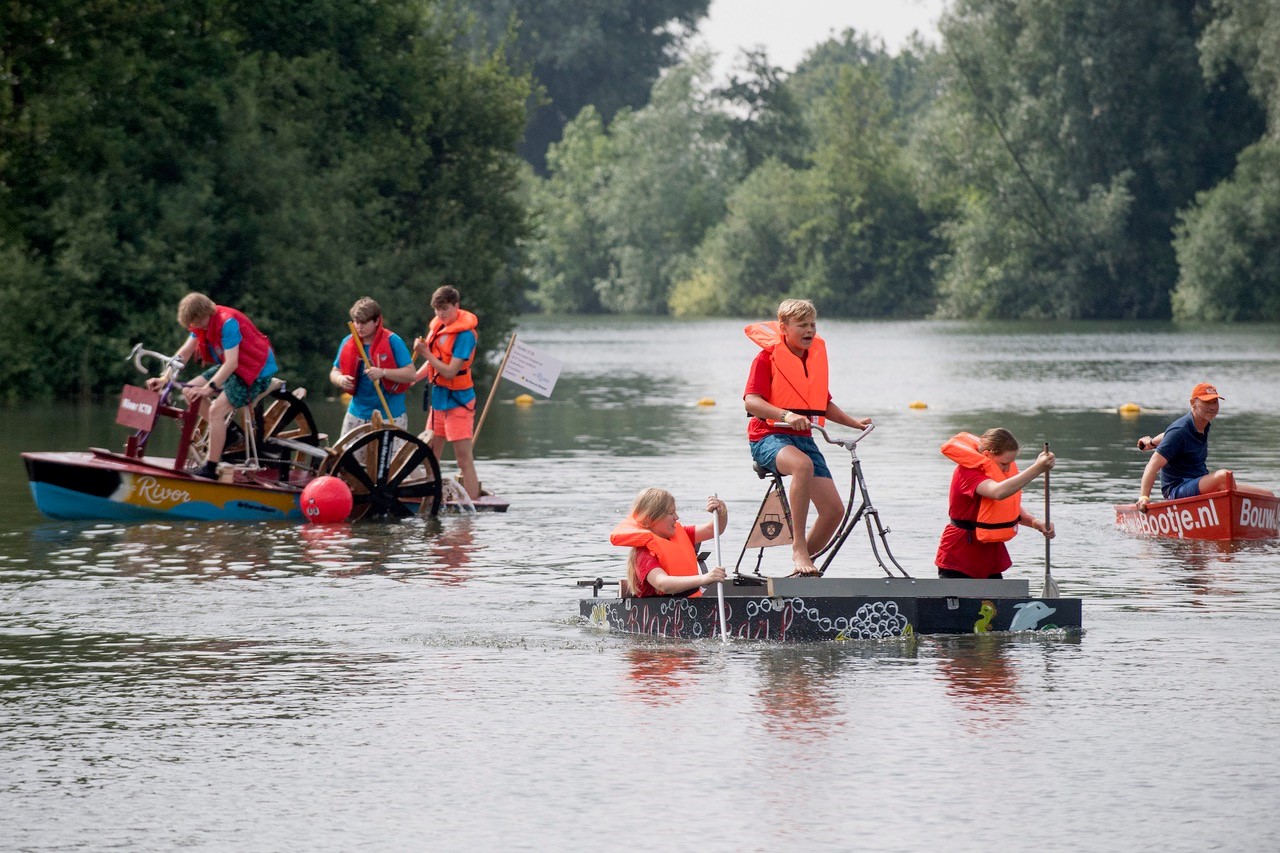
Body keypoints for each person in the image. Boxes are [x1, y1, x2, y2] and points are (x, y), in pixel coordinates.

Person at [742, 298, 871, 576]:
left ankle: (803, 573)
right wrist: (786, 415)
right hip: (767, 437)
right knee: (802, 465)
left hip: (804, 439)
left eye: (812, 324)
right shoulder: (766, 358)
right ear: (784, 328)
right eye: (802, 325)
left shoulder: (813, 359)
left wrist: (853, 423)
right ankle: (798, 547)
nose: (810, 330)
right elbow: (752, 402)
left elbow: (822, 404)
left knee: (834, 510)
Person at [146, 292, 280, 479]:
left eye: (196, 322)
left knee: (216, 410)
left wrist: (209, 388)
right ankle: (230, 434)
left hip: (256, 371)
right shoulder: (200, 324)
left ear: (205, 314)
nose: (194, 327)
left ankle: (211, 467)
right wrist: (164, 378)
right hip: (235, 366)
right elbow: (184, 353)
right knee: (188, 391)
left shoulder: (228, 323)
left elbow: (231, 363)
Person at [935, 429, 1056, 580]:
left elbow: (1005, 508)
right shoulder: (967, 473)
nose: (1006, 469)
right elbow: (998, 492)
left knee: (993, 603)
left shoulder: (994, 470)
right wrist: (1038, 468)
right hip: (960, 554)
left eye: (1010, 464)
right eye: (1004, 463)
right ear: (987, 455)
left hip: (990, 554)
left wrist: (1036, 523)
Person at [413, 285, 481, 499]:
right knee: (431, 455)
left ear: (456, 306)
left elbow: (450, 371)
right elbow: (434, 364)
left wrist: (425, 353)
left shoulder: (465, 335)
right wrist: (412, 378)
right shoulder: (438, 328)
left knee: (463, 459)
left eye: (445, 309)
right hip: (439, 402)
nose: (441, 314)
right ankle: (431, 498)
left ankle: (473, 505)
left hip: (459, 402)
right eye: (437, 310)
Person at [611, 489, 728, 597]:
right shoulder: (643, 553)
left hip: (687, 606)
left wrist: (721, 512)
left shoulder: (682, 534)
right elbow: (663, 584)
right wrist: (704, 578)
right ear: (651, 519)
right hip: (657, 612)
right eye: (671, 513)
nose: (676, 517)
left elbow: (713, 529)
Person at [1135, 383, 1232, 510]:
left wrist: (1152, 442)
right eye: (1207, 402)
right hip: (1177, 489)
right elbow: (1153, 465)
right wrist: (1144, 497)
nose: (1212, 407)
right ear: (1193, 403)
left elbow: (1167, 435)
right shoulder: (1179, 430)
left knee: (1251, 489)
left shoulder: (1202, 423)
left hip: (1195, 482)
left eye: (1215, 402)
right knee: (1223, 477)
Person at [329, 297, 416, 436]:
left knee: (387, 458)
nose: (359, 327)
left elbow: (411, 375)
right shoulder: (348, 341)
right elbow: (334, 371)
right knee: (346, 457)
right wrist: (340, 379)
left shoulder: (393, 341)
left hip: (390, 414)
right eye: (357, 322)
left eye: (364, 322)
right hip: (357, 414)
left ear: (376, 321)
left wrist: (383, 372)